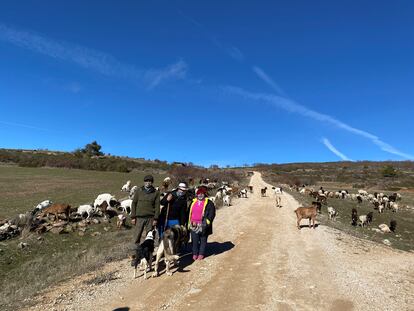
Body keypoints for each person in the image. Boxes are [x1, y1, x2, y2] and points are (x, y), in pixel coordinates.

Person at [130, 175, 160, 248]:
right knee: (136, 236)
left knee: (149, 236)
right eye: (146, 181)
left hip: (150, 218)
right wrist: (133, 217)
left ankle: (148, 253)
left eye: (149, 181)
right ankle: (135, 254)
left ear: (152, 182)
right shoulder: (138, 191)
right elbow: (134, 203)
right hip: (139, 218)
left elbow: (157, 206)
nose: (148, 182)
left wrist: (156, 218)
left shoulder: (156, 193)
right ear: (144, 182)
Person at [188, 186, 216, 261]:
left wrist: (207, 222)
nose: (200, 195)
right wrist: (189, 222)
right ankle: (194, 253)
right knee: (194, 240)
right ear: (196, 194)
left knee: (203, 239)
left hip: (203, 224)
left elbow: (212, 214)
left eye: (202, 193)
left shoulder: (209, 203)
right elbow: (189, 212)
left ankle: (201, 254)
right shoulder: (193, 202)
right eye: (198, 193)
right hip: (193, 224)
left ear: (205, 194)